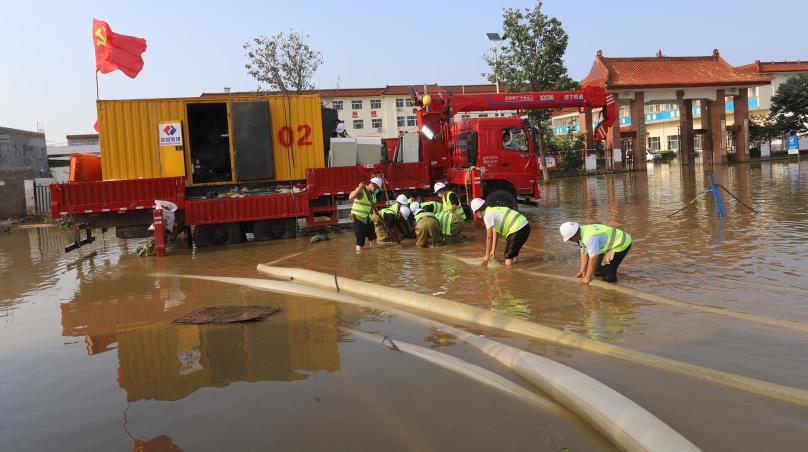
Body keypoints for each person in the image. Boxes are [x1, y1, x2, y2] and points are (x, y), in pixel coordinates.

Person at [559, 222, 632, 284]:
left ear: (574, 236)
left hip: (620, 244)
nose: (570, 241)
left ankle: (613, 284)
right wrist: (582, 270)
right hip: (609, 246)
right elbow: (584, 252)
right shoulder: (580, 231)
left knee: (608, 278)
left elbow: (593, 258)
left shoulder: (591, 238)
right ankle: (612, 270)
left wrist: (587, 277)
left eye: (570, 239)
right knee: (598, 273)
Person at [470, 198, 530, 267]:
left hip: (517, 229)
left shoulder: (487, 215)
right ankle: (516, 268)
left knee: (508, 256)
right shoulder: (493, 210)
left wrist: (487, 255)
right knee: (513, 254)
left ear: (478, 212)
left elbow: (489, 237)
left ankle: (509, 271)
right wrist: (493, 251)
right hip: (525, 226)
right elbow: (495, 233)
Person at [348, 176, 383, 252]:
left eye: (377, 188)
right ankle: (359, 256)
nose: (376, 189)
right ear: (372, 184)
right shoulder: (362, 190)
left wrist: (377, 215)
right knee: (360, 241)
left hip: (368, 219)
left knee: (373, 238)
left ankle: (373, 254)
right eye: (376, 187)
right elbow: (350, 197)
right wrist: (359, 188)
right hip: (358, 219)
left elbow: (371, 207)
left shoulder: (373, 195)